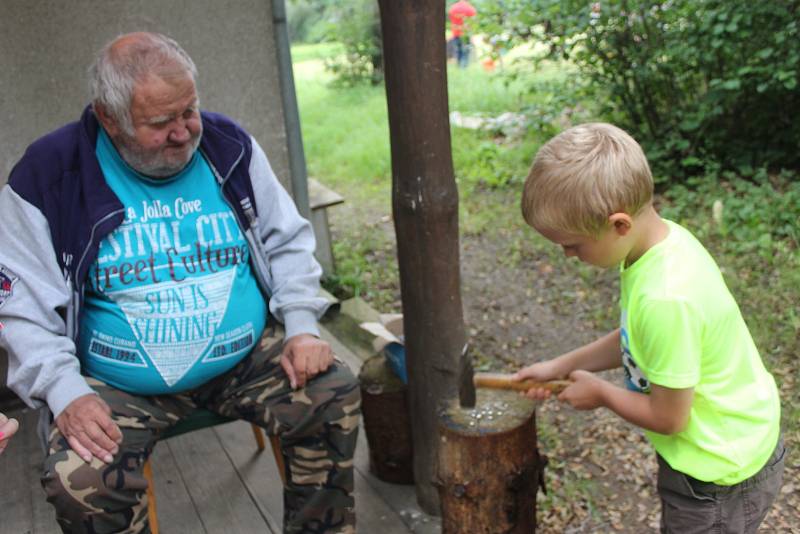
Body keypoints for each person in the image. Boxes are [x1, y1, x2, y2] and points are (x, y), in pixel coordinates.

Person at [0, 32, 360, 534]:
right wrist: (65, 392)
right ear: (108, 116)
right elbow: (20, 306)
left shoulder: (227, 145)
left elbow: (287, 239)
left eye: (188, 110)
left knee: (332, 392)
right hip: (118, 385)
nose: (184, 132)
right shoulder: (49, 174)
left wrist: (301, 326)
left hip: (243, 361)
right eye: (160, 122)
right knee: (80, 477)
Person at [514, 123, 784, 533]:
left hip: (719, 476)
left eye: (573, 245)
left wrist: (601, 393)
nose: (568, 255)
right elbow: (633, 338)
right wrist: (560, 364)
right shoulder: (659, 245)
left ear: (619, 224)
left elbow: (669, 417)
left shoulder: (666, 297)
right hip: (721, 451)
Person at [448, 0, 477, 68]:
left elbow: (451, 20)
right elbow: (473, 22)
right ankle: (463, 67)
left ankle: (458, 66)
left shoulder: (453, 8)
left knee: (458, 51)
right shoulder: (470, 8)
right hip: (466, 33)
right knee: (465, 51)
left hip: (456, 32)